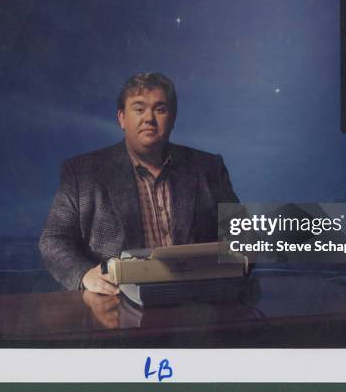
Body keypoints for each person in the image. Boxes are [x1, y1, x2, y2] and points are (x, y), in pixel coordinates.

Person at [39, 72, 239, 294]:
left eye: (160, 109)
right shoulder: (82, 172)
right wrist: (84, 275)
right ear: (122, 118)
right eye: (139, 109)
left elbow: (242, 237)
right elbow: (53, 240)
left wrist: (238, 262)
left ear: (172, 119)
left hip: (197, 301)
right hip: (116, 301)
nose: (149, 119)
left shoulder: (208, 167)